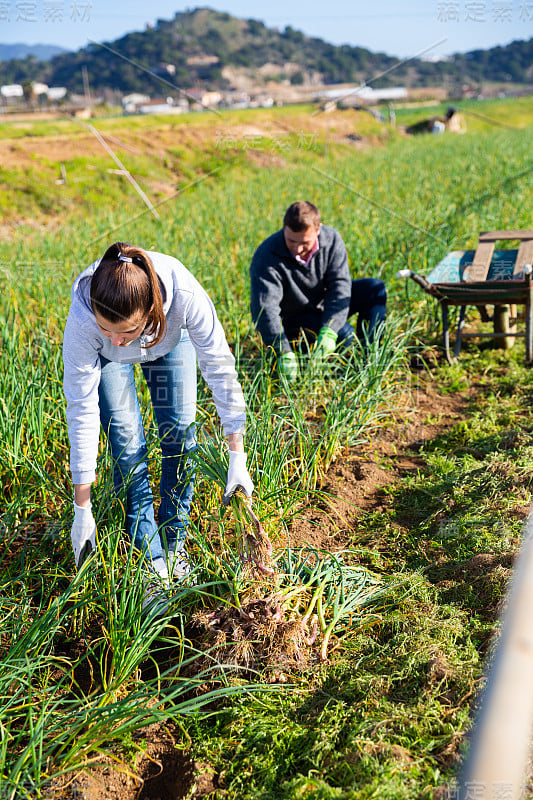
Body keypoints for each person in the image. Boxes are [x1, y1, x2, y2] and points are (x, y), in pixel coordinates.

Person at [63, 241, 253, 608]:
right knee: (126, 442)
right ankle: (151, 562)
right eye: (107, 328)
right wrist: (81, 509)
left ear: (149, 311)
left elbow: (219, 368)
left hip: (168, 344)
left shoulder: (183, 293)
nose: (116, 338)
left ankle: (173, 545)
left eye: (125, 331)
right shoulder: (87, 320)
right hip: (109, 363)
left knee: (180, 435)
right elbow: (81, 409)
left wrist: (237, 455)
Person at [249, 201, 387, 380]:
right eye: (291, 241)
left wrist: (329, 330)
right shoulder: (267, 255)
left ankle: (368, 362)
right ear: (284, 229)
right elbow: (265, 309)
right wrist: (282, 350)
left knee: (374, 289)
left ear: (318, 230)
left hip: (322, 303)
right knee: (345, 334)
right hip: (295, 317)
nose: (298, 249)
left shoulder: (332, 240)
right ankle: (333, 375)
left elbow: (340, 287)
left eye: (304, 242)